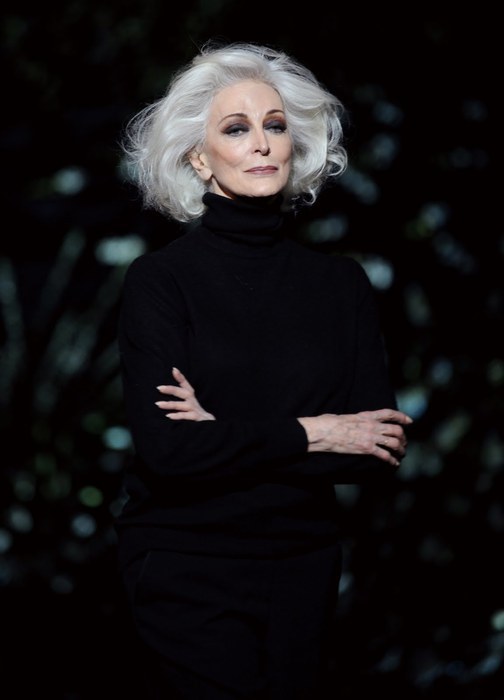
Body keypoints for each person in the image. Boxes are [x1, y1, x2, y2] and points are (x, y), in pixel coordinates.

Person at [115, 40, 413, 700]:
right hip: (186, 563)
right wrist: (318, 432)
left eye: (274, 125)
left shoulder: (339, 284)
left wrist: (223, 432)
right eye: (235, 128)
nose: (261, 143)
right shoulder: (162, 281)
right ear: (199, 157)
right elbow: (170, 452)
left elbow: (378, 448)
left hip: (303, 566)